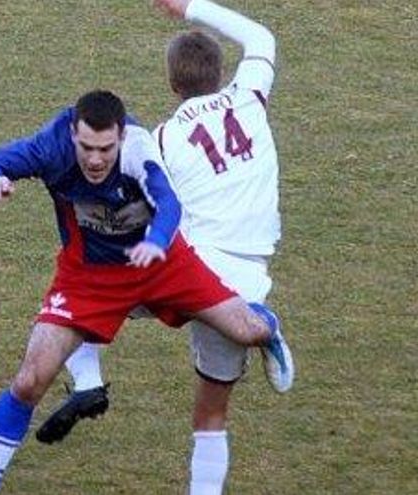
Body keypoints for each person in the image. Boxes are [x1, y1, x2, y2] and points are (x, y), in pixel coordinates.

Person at [0, 89, 292, 494]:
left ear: (121, 136)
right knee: (30, 380)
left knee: (246, 331)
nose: (95, 159)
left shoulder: (139, 148)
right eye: (86, 147)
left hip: (163, 264)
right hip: (88, 277)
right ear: (73, 133)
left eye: (105, 148)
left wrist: (156, 239)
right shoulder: (51, 145)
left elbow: (169, 203)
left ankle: (270, 327)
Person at [35, 1, 292, 493]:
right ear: (219, 73)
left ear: (173, 85)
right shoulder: (249, 99)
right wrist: (192, 6)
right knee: (211, 413)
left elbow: (157, 207)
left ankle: (87, 381)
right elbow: (261, 38)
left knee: (77, 302)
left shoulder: (163, 138)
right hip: (249, 275)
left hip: (195, 275)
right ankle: (262, 326)